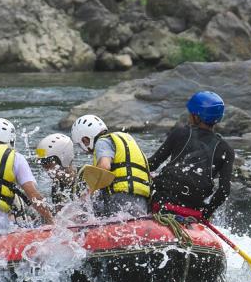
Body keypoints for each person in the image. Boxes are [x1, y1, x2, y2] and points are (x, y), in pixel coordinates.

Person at [148, 91, 234, 222]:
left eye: (190, 113)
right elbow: (224, 191)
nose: (189, 116)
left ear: (196, 116)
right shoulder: (226, 149)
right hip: (194, 208)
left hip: (162, 202)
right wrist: (206, 213)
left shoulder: (180, 133)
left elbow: (153, 164)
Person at [69, 113, 151, 218]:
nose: (85, 150)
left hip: (120, 198)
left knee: (83, 208)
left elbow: (104, 166)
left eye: (82, 144)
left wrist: (88, 193)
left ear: (86, 139)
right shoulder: (126, 138)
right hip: (141, 199)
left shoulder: (102, 142)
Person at [35, 132, 80, 209]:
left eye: (49, 166)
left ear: (64, 159)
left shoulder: (86, 178)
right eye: (44, 167)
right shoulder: (56, 185)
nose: (47, 171)